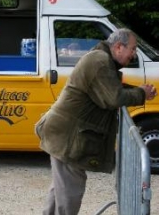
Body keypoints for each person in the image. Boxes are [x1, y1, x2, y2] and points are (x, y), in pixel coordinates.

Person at [35, 28, 157, 215]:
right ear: (118, 46)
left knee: (61, 189)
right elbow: (113, 97)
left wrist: (138, 89)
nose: (133, 54)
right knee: (70, 193)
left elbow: (109, 86)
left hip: (65, 133)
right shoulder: (100, 61)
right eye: (132, 49)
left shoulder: (102, 60)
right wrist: (141, 93)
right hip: (68, 137)